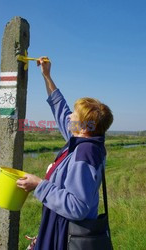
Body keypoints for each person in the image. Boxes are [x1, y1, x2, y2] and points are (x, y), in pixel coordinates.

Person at [16, 57, 113, 250]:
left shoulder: (85, 153)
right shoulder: (85, 140)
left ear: (84, 126)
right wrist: (47, 76)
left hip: (65, 235)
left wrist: (39, 185)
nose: (70, 116)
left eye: (74, 115)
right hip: (59, 228)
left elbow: (78, 207)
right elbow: (61, 110)